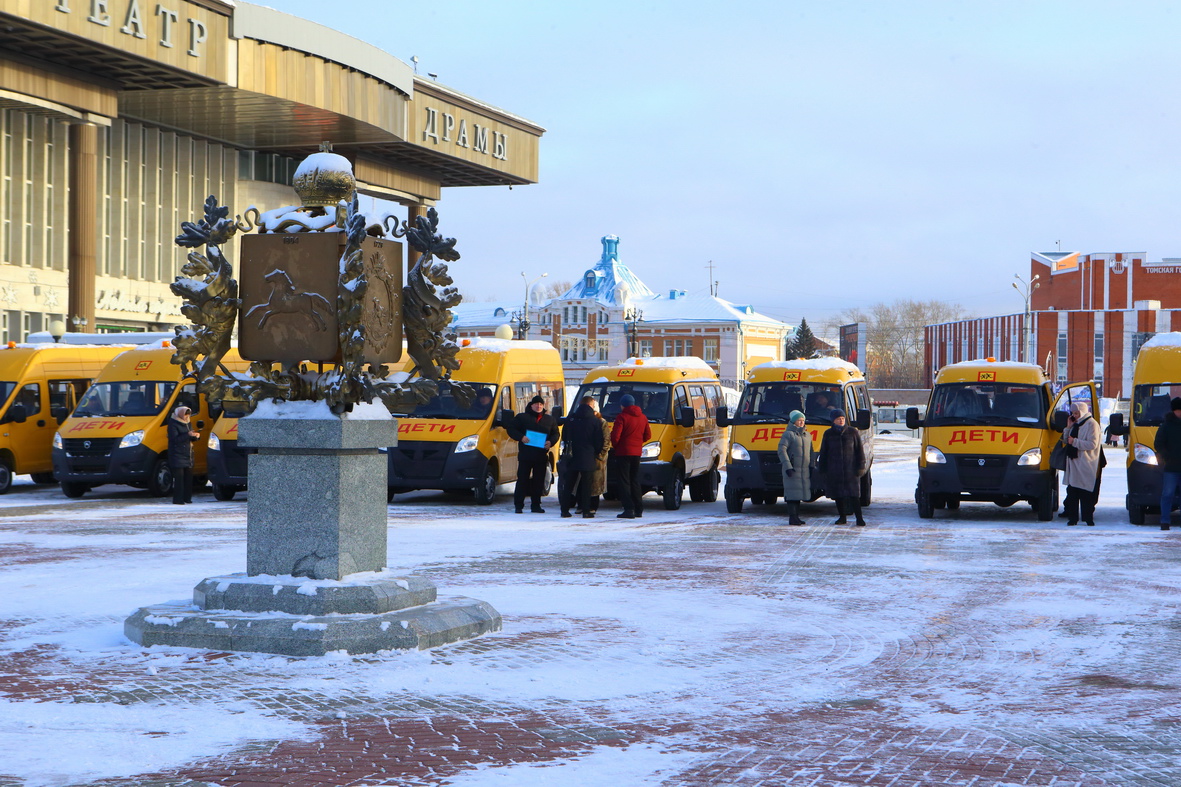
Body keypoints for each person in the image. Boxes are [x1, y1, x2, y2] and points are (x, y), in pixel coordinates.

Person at [507, 395, 559, 514]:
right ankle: (518, 505)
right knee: (522, 480)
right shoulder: (522, 417)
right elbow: (511, 429)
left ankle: (536, 505)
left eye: (541, 404)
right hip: (526, 455)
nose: (539, 406)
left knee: (538, 481)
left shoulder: (549, 420)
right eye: (536, 404)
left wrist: (550, 442)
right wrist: (521, 437)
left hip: (541, 455)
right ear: (531, 405)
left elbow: (555, 433)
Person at [817, 408, 865, 526]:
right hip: (835, 470)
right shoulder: (828, 434)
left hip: (851, 470)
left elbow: (860, 451)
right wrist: (822, 468)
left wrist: (860, 466)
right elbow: (824, 452)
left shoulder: (853, 432)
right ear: (833, 420)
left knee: (854, 495)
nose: (841, 421)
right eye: (838, 419)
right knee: (839, 495)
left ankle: (859, 518)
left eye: (843, 418)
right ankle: (842, 517)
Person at [559, 396, 605, 519]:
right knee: (586, 486)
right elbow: (599, 440)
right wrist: (596, 452)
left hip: (572, 456)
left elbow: (564, 436)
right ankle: (586, 510)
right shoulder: (594, 421)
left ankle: (564, 510)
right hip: (588, 456)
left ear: (580, 404)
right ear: (591, 405)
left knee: (569, 484)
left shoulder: (571, 418)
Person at [611, 393, 651, 519]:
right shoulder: (643, 417)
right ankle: (639, 509)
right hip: (637, 453)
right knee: (634, 480)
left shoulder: (621, 417)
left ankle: (629, 509)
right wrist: (638, 443)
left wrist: (617, 447)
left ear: (623, 405)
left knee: (624, 481)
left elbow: (615, 436)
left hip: (623, 452)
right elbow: (647, 435)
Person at [1062, 401, 1102, 527]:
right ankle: (1073, 518)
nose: (1075, 415)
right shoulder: (1076, 424)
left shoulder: (1091, 424)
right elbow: (1065, 440)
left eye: (1077, 413)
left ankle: (1088, 518)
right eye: (1073, 413)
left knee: (1086, 492)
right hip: (1073, 463)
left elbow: (1092, 444)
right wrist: (1068, 427)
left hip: (1086, 463)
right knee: (1072, 491)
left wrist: (1075, 442)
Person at [777, 409, 812, 526]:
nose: (801, 422)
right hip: (792, 469)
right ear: (793, 422)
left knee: (799, 494)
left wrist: (812, 466)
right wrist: (788, 466)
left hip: (804, 470)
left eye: (803, 420)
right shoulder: (788, 434)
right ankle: (792, 517)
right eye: (799, 420)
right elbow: (782, 450)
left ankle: (797, 517)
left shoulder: (808, 435)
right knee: (792, 495)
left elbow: (811, 452)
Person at [1154, 396, 1181, 531]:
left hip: (1172, 466)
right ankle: (1165, 521)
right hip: (1171, 467)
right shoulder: (1166, 426)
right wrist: (1167, 457)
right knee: (1167, 495)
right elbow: (1158, 443)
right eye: (1179, 410)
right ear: (1174, 411)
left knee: (1168, 495)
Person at [167, 405, 200, 504]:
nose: (186, 417)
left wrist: (196, 436)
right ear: (180, 414)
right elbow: (174, 439)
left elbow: (189, 437)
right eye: (185, 415)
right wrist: (188, 435)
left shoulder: (188, 423)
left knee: (188, 478)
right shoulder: (173, 423)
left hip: (188, 454)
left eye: (188, 415)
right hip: (177, 454)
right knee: (179, 479)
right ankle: (178, 499)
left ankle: (187, 498)